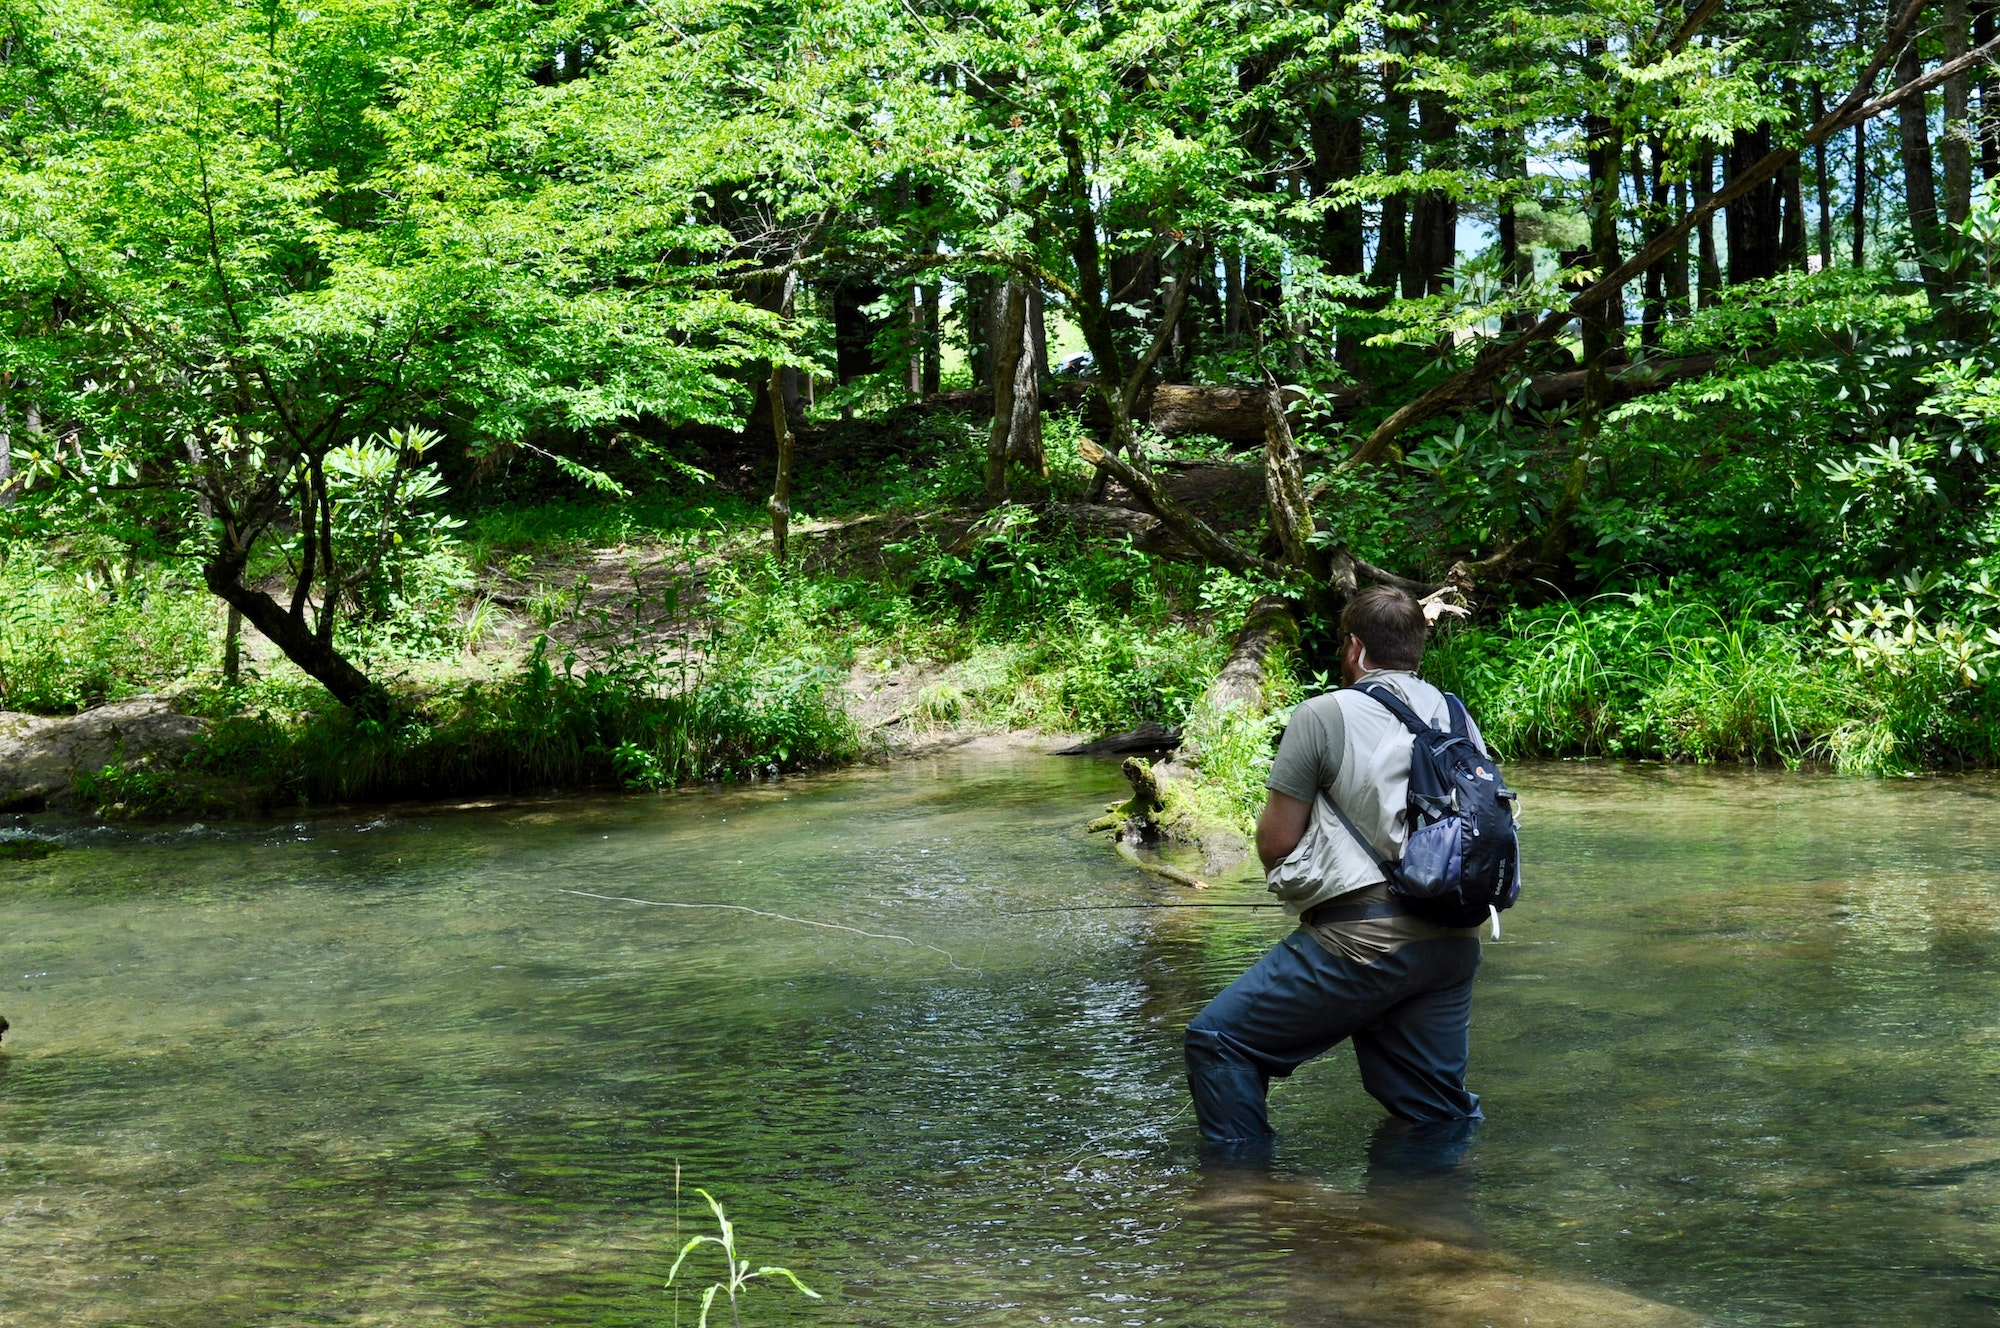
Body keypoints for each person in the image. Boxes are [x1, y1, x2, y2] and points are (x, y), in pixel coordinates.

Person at [1185, 585, 1488, 1155]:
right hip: (1455, 942)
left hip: (1360, 943)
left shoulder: (1324, 713)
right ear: (1417, 649)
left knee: (1219, 1040)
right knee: (1431, 1106)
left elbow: (1276, 843)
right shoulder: (1455, 713)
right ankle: (1434, 1223)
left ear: (1354, 649)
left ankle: (1244, 1200)